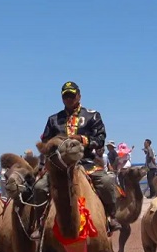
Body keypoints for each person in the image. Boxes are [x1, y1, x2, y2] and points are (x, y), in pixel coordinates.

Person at [32, 81, 121, 238]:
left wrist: (82, 139)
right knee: (39, 187)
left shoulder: (92, 116)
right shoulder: (53, 120)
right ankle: (40, 223)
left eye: (71, 95)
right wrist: (44, 162)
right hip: (59, 166)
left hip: (86, 163)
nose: (68, 99)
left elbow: (100, 140)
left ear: (79, 96)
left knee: (107, 182)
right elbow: (45, 143)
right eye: (65, 96)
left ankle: (110, 217)